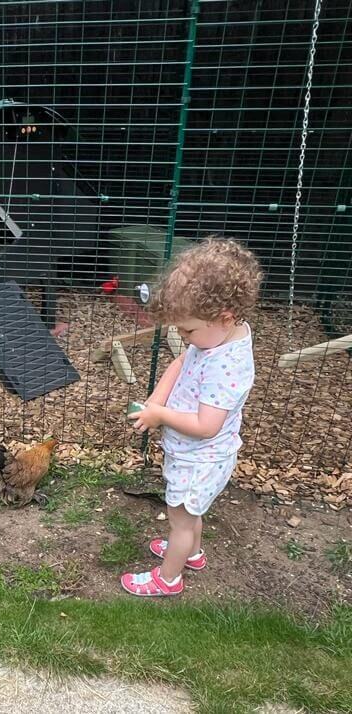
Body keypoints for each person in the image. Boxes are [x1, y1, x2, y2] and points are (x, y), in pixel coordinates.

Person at [122, 237, 262, 596]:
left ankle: (167, 578)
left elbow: (206, 426)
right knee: (190, 512)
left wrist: (161, 415)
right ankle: (193, 553)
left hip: (202, 458)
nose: (183, 338)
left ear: (224, 317)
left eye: (188, 330)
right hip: (193, 454)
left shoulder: (226, 364)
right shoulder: (216, 338)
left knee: (180, 519)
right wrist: (156, 400)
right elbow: (182, 361)